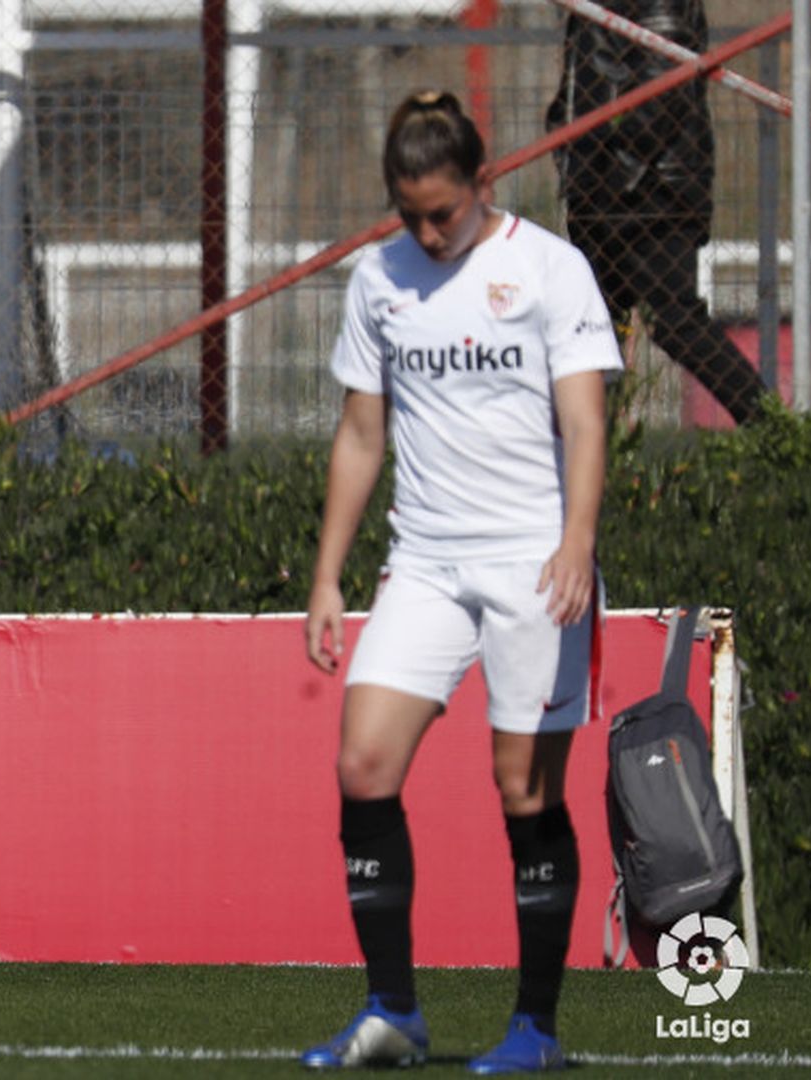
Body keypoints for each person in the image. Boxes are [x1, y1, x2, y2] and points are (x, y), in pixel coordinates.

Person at [300, 92, 619, 1071]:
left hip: (535, 565)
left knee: (523, 790)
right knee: (363, 765)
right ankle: (392, 1013)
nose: (429, 233)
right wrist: (327, 578)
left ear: (485, 182)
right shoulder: (380, 279)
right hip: (425, 566)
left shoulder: (549, 269)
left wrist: (575, 541)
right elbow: (362, 435)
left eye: (442, 212)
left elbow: (585, 421)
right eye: (410, 215)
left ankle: (536, 1029)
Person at [547, 0, 767, 425]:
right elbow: (581, 87)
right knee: (592, 326)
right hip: (601, 186)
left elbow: (663, 83)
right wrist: (569, 147)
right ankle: (590, 445)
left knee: (675, 322)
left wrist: (615, 172)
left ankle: (776, 433)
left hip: (649, 192)